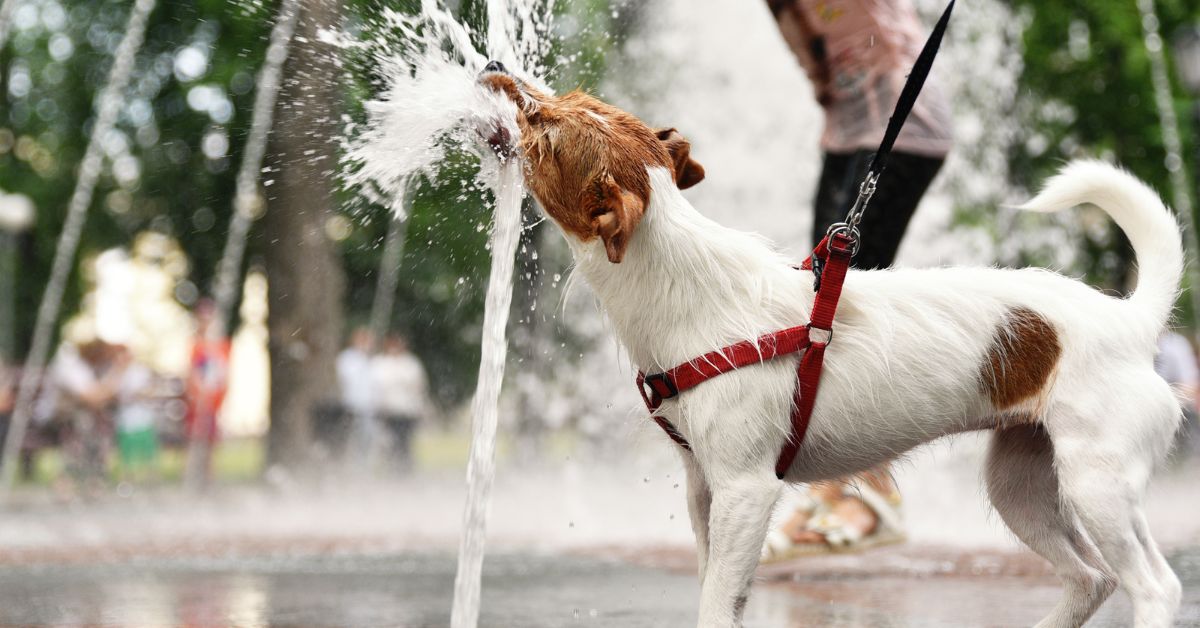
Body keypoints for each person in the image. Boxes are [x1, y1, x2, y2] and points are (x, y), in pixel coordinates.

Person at [763, 0, 953, 558]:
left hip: (905, 125)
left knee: (838, 304)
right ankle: (843, 487)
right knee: (817, 301)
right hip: (847, 132)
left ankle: (866, 494)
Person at [184, 299, 230, 490]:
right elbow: (191, 372)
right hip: (197, 403)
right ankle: (192, 481)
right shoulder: (196, 345)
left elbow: (225, 374)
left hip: (213, 403)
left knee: (210, 444)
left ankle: (208, 482)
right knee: (196, 441)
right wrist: (198, 392)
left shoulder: (220, 346)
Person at [370, 334, 430, 471]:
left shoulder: (411, 364)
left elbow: (419, 386)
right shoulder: (380, 364)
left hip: (407, 411)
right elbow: (376, 388)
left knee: (405, 442)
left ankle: (404, 468)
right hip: (388, 411)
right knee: (390, 441)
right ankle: (392, 467)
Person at [112, 345, 160, 483]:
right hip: (126, 421)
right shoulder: (116, 373)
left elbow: (150, 390)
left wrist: (138, 394)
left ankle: (151, 480)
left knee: (148, 453)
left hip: (143, 419)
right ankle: (128, 480)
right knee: (127, 454)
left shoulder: (140, 371)